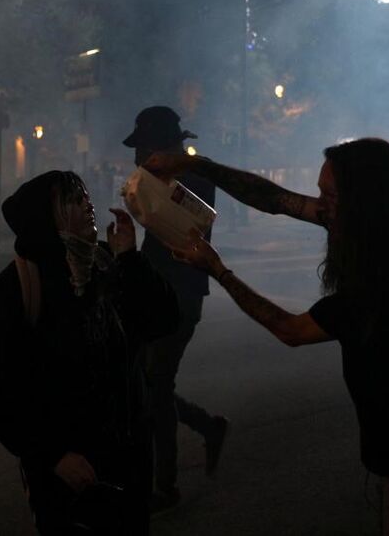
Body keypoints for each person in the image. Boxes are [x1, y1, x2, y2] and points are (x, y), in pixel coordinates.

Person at [146, 138, 389, 535]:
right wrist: (193, 165)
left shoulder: (382, 286)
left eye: (330, 195)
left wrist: (218, 270)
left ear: (362, 200)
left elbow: (291, 330)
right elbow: (273, 198)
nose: (320, 205)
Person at [0, 170, 180, 535]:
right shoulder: (17, 290)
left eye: (86, 196)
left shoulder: (106, 263)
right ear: (45, 218)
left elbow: (164, 320)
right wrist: (50, 455)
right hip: (71, 470)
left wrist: (131, 258)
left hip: (128, 455)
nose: (88, 205)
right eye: (72, 200)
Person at [122, 106, 229, 511]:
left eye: (142, 149)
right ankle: (207, 426)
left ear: (163, 147)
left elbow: (189, 230)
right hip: (154, 291)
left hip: (181, 295)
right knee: (150, 384)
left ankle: (165, 485)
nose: (136, 159)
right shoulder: (153, 180)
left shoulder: (194, 179)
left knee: (156, 383)